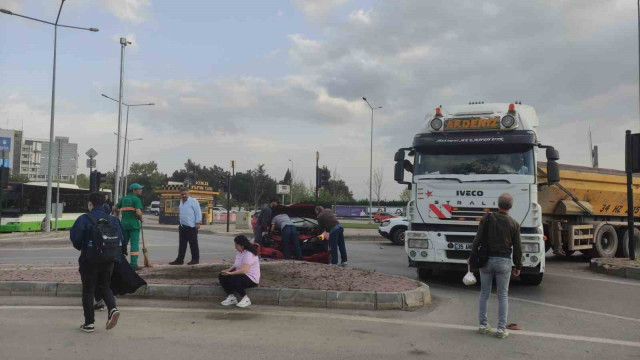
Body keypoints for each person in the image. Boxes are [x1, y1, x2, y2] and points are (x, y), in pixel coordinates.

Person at [469, 193, 523, 339]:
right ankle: (501, 329)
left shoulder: (487, 218)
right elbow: (518, 248)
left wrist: (472, 255)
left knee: (484, 293)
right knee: (502, 295)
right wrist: (518, 265)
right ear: (511, 207)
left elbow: (478, 238)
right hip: (504, 262)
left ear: (497, 204)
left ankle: (482, 325)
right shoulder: (514, 223)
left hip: (486, 260)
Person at [70, 192, 123, 333]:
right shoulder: (113, 220)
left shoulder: (84, 219)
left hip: (90, 260)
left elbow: (75, 240)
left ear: (90, 204)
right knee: (105, 286)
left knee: (88, 290)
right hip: (109, 259)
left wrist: (84, 246)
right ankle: (112, 309)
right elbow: (121, 239)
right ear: (104, 203)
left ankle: (89, 323)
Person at [219, 235, 260, 308]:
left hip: (251, 278)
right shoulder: (240, 252)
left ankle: (245, 298)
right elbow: (236, 265)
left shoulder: (249, 254)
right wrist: (228, 270)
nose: (235, 247)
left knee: (234, 278)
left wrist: (230, 273)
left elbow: (244, 270)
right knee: (222, 276)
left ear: (242, 245)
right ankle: (231, 297)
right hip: (241, 275)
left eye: (237, 245)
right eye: (235, 245)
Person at [114, 183, 144, 270]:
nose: (141, 190)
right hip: (134, 225)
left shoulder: (124, 198)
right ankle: (133, 264)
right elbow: (138, 212)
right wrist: (140, 219)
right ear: (134, 190)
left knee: (123, 244)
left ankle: (120, 262)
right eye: (139, 189)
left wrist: (117, 215)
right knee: (134, 244)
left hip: (123, 225)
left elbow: (115, 208)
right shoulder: (136, 199)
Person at [170, 187, 202, 265]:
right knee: (182, 245)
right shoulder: (181, 201)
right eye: (182, 194)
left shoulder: (194, 201)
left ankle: (195, 259)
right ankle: (179, 260)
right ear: (180, 194)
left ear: (188, 193)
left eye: (185, 194)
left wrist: (198, 222)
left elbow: (198, 212)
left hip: (191, 227)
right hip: (182, 226)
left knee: (193, 244)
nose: (184, 195)